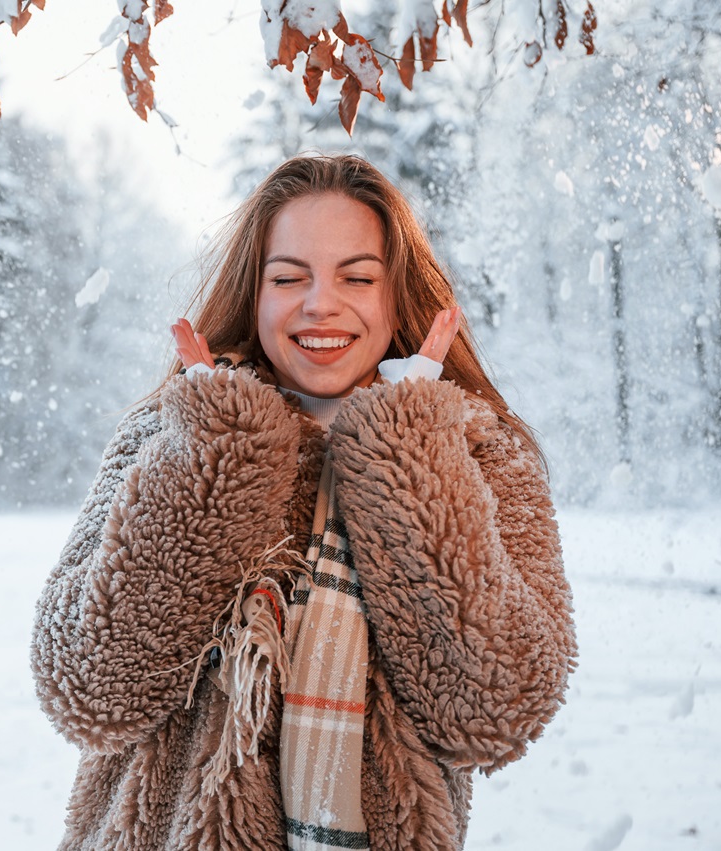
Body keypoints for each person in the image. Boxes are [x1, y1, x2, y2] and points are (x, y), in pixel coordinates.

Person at [30, 154, 577, 851]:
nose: (321, 303)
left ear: (397, 293)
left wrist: (409, 446)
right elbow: (90, 687)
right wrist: (219, 452)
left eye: (357, 276)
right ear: (253, 294)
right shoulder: (174, 432)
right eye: (289, 277)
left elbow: (498, 706)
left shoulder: (473, 452)